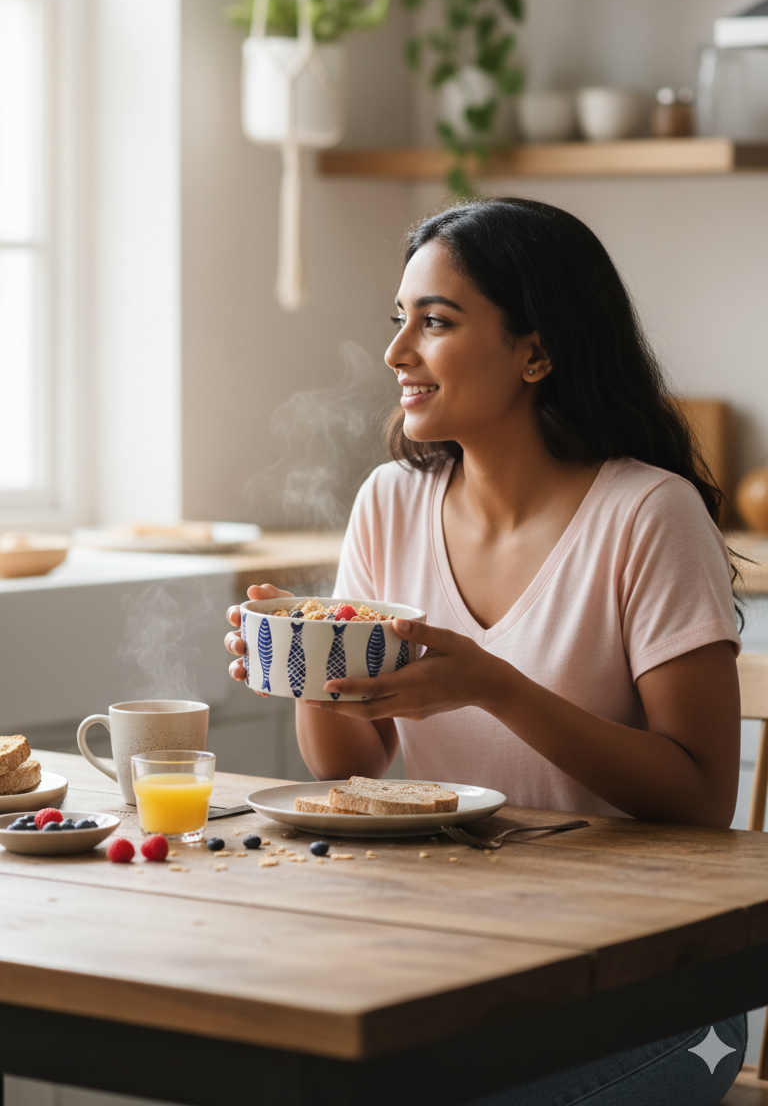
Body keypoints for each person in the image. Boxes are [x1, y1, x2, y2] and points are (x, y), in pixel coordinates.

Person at [225, 197, 747, 1104]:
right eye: (399, 321)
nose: (397, 353)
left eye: (436, 321)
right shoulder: (390, 501)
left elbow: (703, 799)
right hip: (450, 959)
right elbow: (350, 764)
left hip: (647, 988)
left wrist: (494, 687)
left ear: (535, 352)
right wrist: (310, 658)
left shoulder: (648, 515)